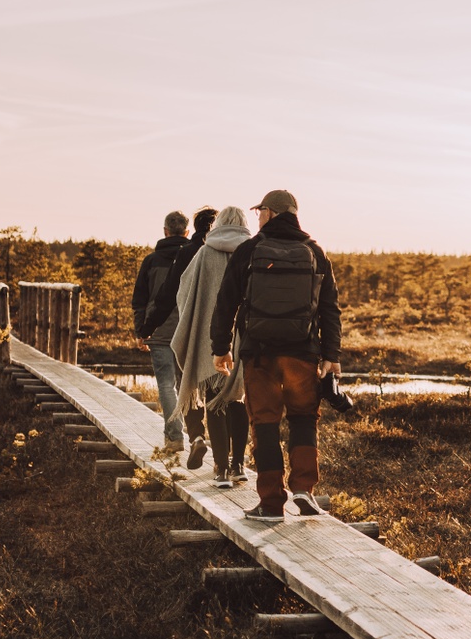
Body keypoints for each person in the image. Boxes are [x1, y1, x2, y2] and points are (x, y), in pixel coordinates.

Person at [211, 189, 341, 521]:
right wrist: (331, 354)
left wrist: (220, 349)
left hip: (260, 355)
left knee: (265, 423)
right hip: (303, 354)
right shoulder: (314, 251)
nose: (257, 218)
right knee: (303, 419)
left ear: (270, 212)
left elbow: (227, 302)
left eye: (260, 212)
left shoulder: (250, 250)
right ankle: (303, 490)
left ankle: (270, 503)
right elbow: (329, 308)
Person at [169, 205, 252, 484]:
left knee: (215, 401)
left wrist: (196, 319)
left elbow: (185, 291)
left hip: (212, 337)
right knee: (238, 400)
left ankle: (221, 469)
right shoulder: (253, 251)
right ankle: (239, 465)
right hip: (244, 337)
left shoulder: (205, 253)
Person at [130, 210, 199, 442]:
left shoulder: (151, 261)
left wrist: (141, 331)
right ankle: (193, 435)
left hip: (158, 331)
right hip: (187, 331)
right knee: (186, 385)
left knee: (166, 386)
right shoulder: (195, 257)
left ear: (165, 231)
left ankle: (174, 436)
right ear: (187, 232)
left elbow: (139, 299)